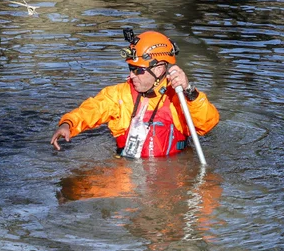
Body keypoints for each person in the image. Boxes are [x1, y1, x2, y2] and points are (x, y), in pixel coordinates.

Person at [51, 29, 219, 158]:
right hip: (127, 176)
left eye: (138, 70)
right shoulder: (119, 95)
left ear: (159, 68)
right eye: (131, 69)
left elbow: (207, 124)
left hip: (172, 178)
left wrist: (190, 91)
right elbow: (91, 109)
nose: (131, 75)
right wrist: (68, 124)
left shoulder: (179, 97)